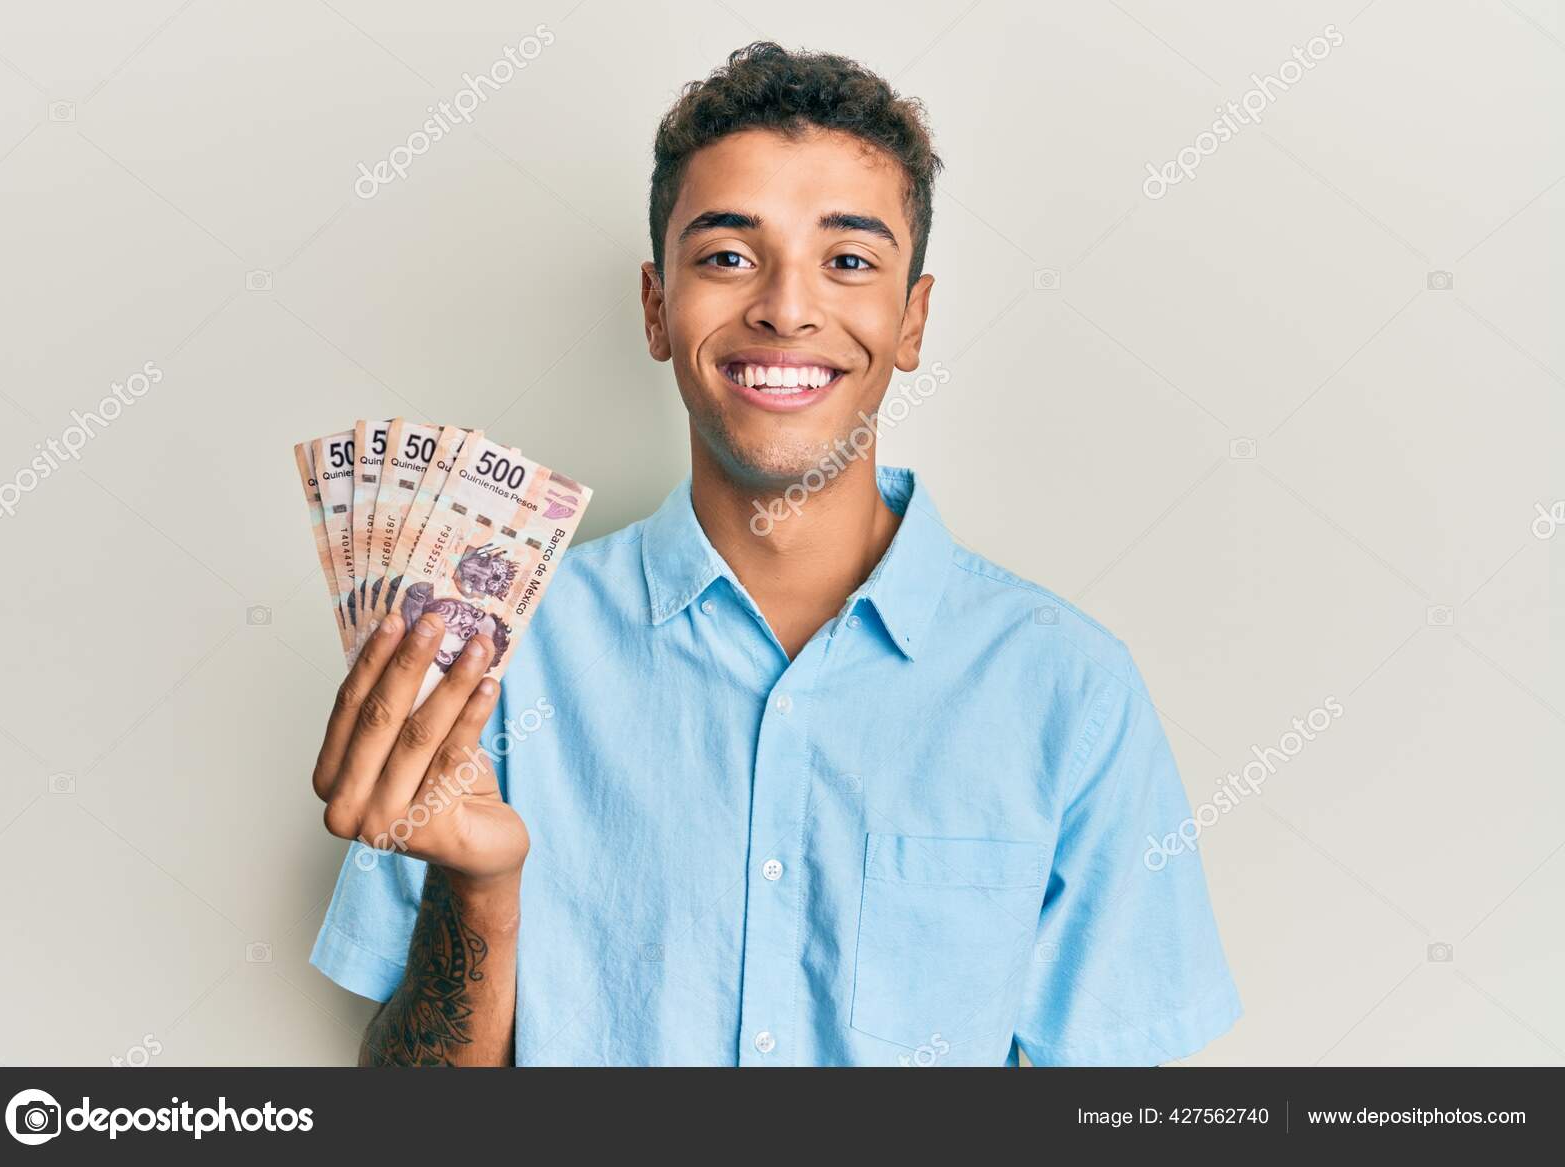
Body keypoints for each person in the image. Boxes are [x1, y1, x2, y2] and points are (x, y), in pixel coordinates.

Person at [308, 41, 1240, 1066]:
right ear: (657, 308)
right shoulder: (494, 656)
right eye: (727, 256)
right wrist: (477, 893)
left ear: (911, 319)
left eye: (846, 261)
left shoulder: (1069, 690)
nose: (786, 308)